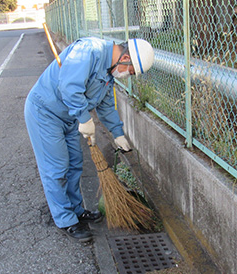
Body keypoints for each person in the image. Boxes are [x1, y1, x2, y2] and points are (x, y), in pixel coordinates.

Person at [24, 37, 155, 242]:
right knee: (56, 169)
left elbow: (105, 106)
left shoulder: (108, 72)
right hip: (45, 113)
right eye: (130, 72)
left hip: (68, 118)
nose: (126, 77)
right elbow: (69, 86)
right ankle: (65, 220)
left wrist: (117, 133)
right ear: (126, 57)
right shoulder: (88, 51)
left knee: (75, 164)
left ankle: (76, 210)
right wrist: (84, 118)